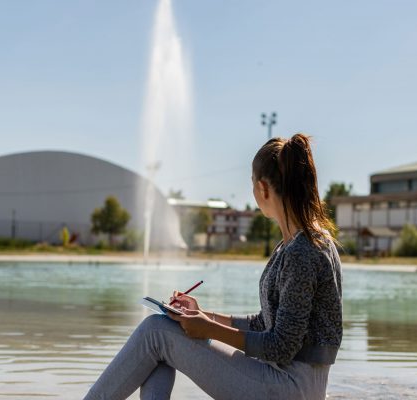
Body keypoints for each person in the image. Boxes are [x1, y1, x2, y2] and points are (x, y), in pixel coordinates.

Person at [84, 133, 343, 400]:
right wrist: (203, 316)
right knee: (163, 334)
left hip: (289, 387)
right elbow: (264, 324)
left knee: (155, 333)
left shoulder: (303, 250)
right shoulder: (297, 244)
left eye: (252, 183)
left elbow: (281, 346)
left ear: (263, 188)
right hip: (284, 379)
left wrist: (207, 330)